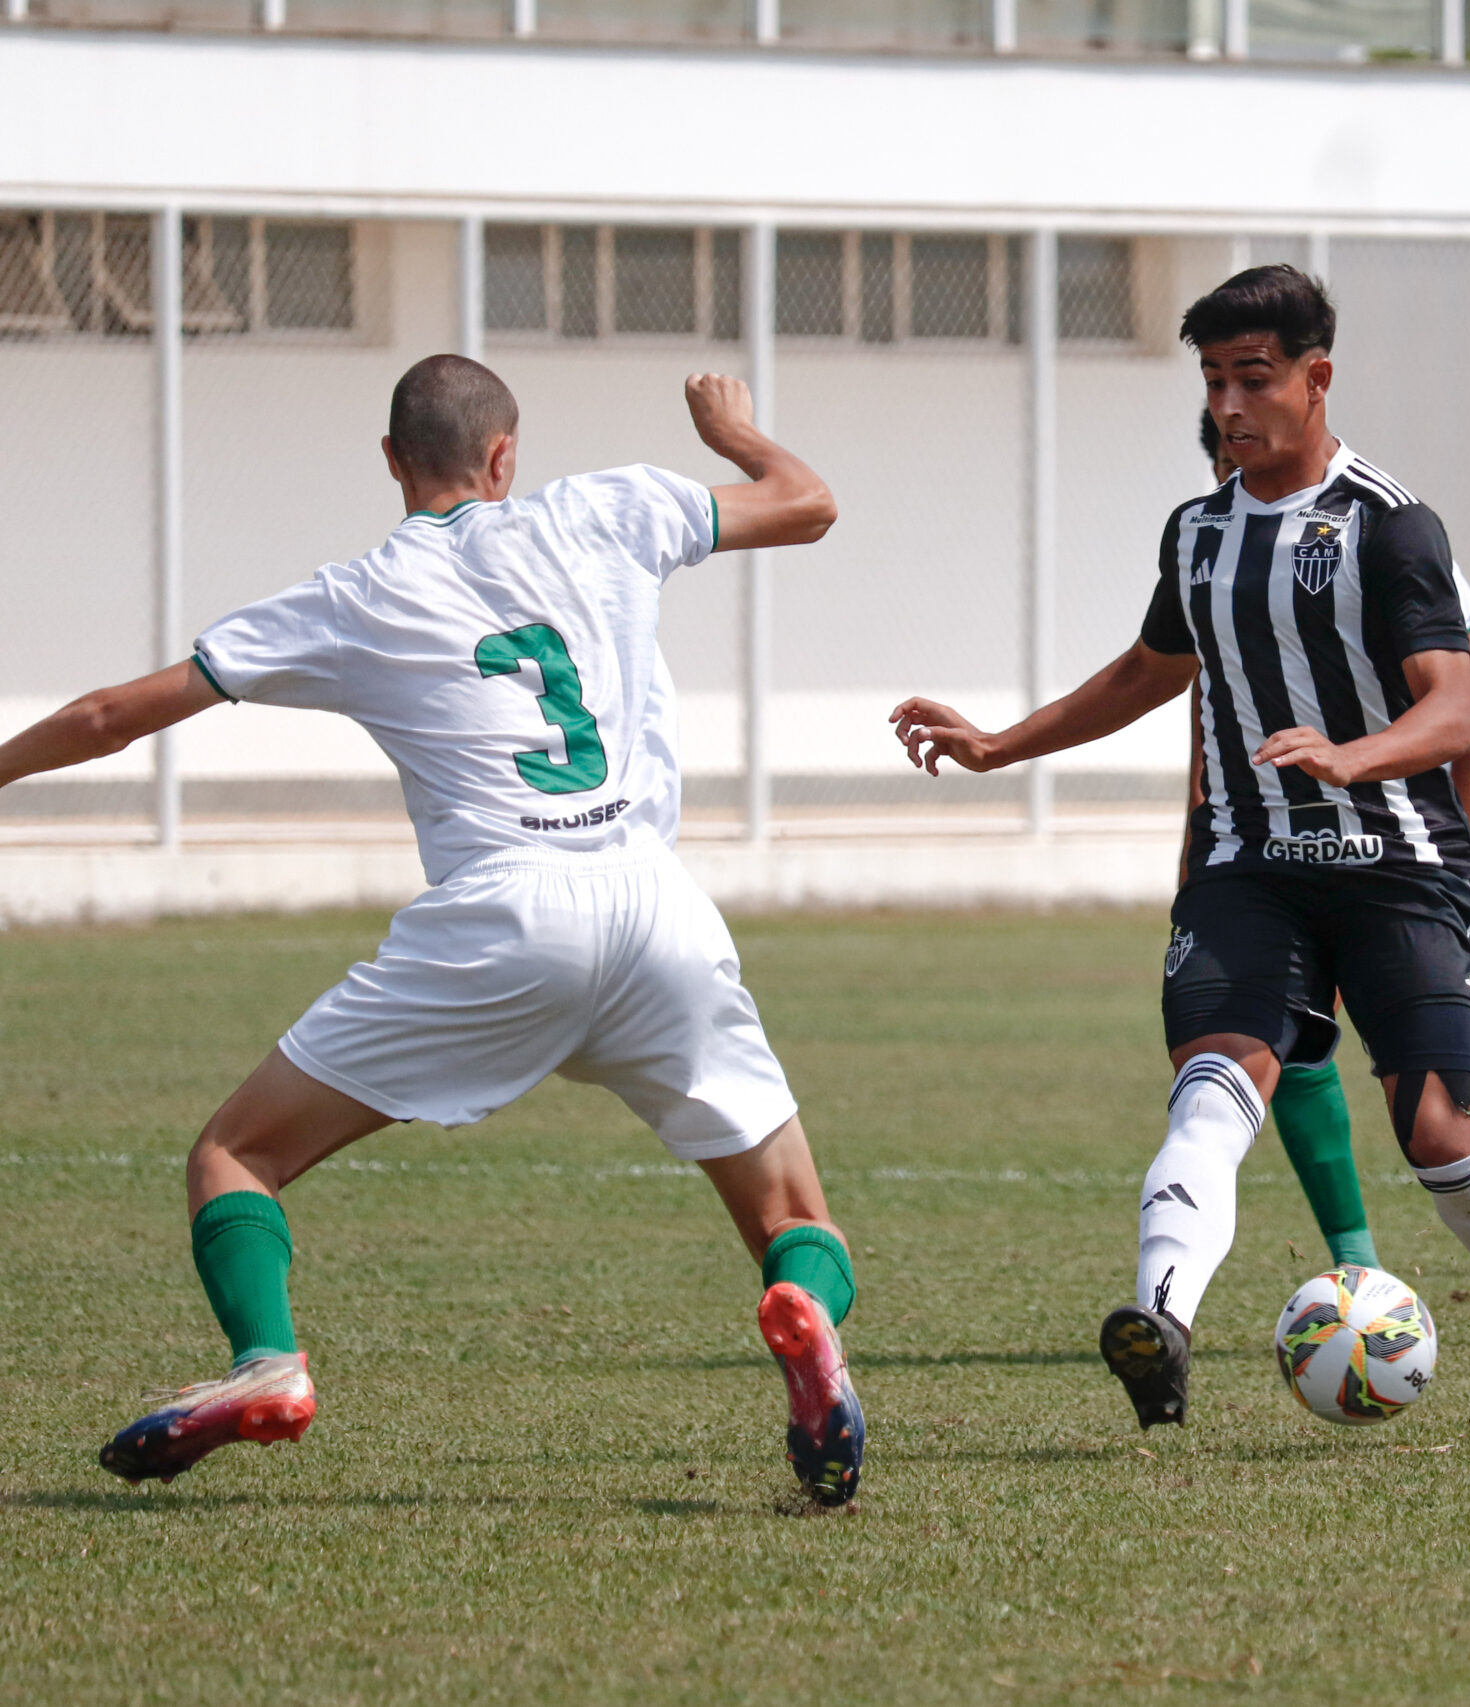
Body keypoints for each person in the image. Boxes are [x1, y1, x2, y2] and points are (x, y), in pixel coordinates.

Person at [15, 356, 871, 1504]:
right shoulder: (605, 510)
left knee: (238, 1156)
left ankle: (269, 1365)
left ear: (389, 461)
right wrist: (736, 431)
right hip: (656, 904)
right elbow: (808, 503)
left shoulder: (356, 591)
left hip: (501, 917)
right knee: (792, 1215)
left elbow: (112, 716)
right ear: (506, 456)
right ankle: (809, 1318)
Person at [892, 266, 1470, 1442]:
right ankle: (1159, 1323)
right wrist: (1000, 745)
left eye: (1251, 378)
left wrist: (1355, 758)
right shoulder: (1198, 531)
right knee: (1212, 1094)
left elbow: (1458, 706)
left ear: (1317, 377)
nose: (1228, 404)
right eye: (1213, 380)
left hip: (1398, 864)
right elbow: (1149, 671)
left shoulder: (1391, 523)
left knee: (1439, 1138)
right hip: (1247, 868)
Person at [1186, 410, 1470, 1321]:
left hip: (1452, 832)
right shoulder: (1216, 548)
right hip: (1305, 842)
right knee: (1290, 1029)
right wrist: (1201, 865)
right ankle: (1362, 1272)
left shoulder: (1378, 534)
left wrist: (1445, 866)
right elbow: (1213, 718)